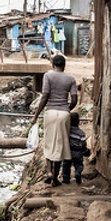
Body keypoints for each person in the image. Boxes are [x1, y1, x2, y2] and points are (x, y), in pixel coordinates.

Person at [30, 54, 77, 187]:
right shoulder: (71, 79)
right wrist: (67, 109)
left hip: (50, 113)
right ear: (64, 65)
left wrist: (35, 116)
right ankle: (55, 179)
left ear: (53, 64)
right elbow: (74, 100)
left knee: (49, 142)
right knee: (60, 145)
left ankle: (49, 172)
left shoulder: (48, 76)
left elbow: (45, 96)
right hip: (64, 114)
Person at [62, 112, 90, 184]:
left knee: (66, 165)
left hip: (68, 152)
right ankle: (78, 173)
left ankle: (66, 179)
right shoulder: (81, 133)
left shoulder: (67, 131)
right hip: (78, 153)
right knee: (78, 164)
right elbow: (83, 143)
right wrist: (85, 150)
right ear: (78, 121)